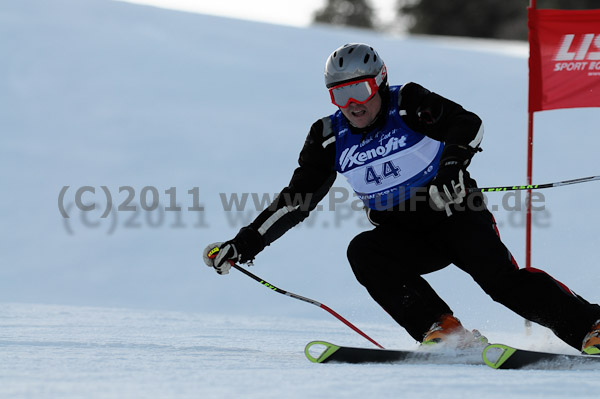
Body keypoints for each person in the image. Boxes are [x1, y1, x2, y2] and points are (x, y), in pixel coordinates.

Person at [203, 43, 600, 354]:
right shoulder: (328, 136)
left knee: (500, 282)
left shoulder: (407, 102)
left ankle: (590, 327)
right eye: (339, 95)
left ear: (379, 81)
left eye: (359, 89)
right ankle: (443, 331)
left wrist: (451, 168)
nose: (352, 104)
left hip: (455, 213)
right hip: (403, 232)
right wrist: (244, 243)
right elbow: (296, 201)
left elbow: (468, 123)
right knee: (364, 251)